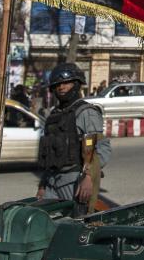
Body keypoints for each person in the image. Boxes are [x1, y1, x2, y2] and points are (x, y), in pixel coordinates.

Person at [36, 63, 111, 215]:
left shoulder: (86, 112)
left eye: (66, 83)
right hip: (52, 182)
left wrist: (88, 178)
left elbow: (101, 148)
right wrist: (43, 185)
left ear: (76, 84)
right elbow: (49, 154)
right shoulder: (53, 116)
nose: (61, 87)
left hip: (76, 181)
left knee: (77, 227)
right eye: (57, 84)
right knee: (47, 226)